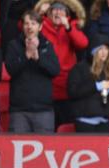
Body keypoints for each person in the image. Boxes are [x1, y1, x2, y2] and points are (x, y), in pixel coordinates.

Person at [35, 0, 89, 128]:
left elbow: (83, 43)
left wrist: (69, 28)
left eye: (61, 10)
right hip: (46, 84)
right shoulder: (41, 25)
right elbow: (24, 26)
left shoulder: (71, 26)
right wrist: (38, 13)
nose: (58, 12)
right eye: (54, 9)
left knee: (66, 125)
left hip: (66, 84)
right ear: (48, 13)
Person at [5, 10, 60, 133]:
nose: (29, 27)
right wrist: (26, 56)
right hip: (19, 111)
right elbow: (11, 70)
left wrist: (38, 58)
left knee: (45, 150)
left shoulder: (47, 45)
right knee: (17, 151)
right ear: (22, 26)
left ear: (40, 27)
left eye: (33, 23)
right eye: (26, 23)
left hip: (43, 110)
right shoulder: (13, 45)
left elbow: (55, 70)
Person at [67, 34, 109, 133]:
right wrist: (99, 85)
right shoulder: (79, 68)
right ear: (93, 51)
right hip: (85, 121)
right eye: (100, 48)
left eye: (106, 49)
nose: (104, 52)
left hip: (105, 121)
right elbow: (73, 92)